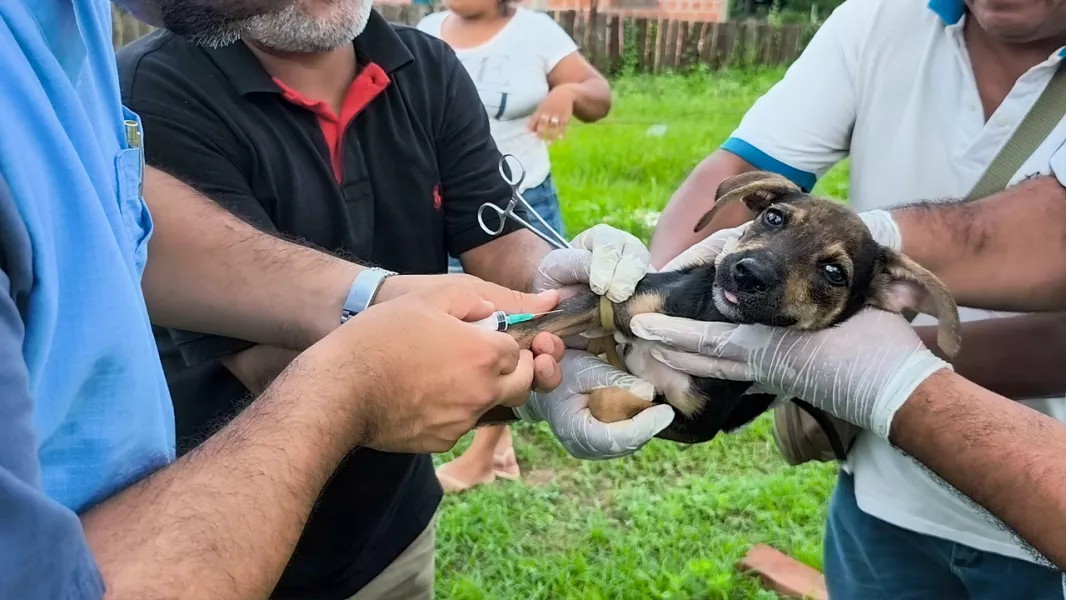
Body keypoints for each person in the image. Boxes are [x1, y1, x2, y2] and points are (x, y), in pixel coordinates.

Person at [0, 1, 663, 598]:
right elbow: (259, 361)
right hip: (223, 548)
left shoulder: (425, 65)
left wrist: (550, 288)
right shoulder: (151, 84)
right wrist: (369, 378)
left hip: (390, 528)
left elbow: (122, 220)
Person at [645, 0, 1066, 597]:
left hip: (1042, 525)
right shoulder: (879, 20)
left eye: (836, 269)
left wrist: (878, 369)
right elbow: (743, 171)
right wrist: (659, 298)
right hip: (880, 495)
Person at [416, 0, 612, 492]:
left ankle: (484, 454)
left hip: (517, 207)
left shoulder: (535, 32)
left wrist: (566, 91)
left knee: (520, 320)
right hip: (442, 203)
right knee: (464, 317)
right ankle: (498, 449)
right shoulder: (426, 31)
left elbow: (599, 95)